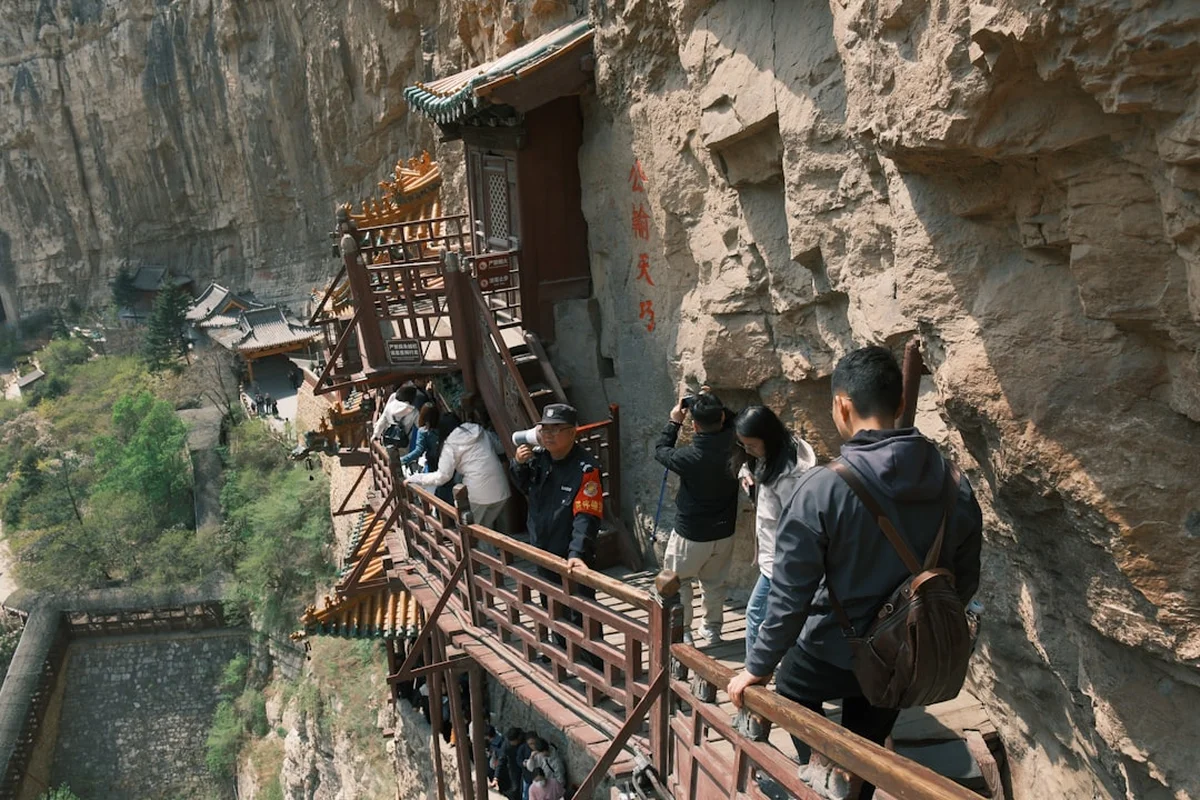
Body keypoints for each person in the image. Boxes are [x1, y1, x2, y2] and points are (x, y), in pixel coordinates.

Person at [728, 346, 983, 800]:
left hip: (830, 652)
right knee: (866, 751)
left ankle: (821, 772)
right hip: (903, 658)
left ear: (842, 405)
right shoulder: (955, 483)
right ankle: (847, 782)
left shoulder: (822, 489)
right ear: (901, 405)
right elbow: (962, 582)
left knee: (787, 692)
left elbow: (789, 599)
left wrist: (756, 666)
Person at [510, 404, 605, 665]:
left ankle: (597, 669)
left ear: (573, 432)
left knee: (581, 613)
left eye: (556, 429)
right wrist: (518, 464)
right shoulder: (540, 458)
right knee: (551, 605)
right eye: (544, 429)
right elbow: (526, 488)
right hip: (542, 549)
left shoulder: (586, 470)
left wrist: (577, 553)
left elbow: (587, 515)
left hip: (569, 555)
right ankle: (562, 657)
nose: (548, 435)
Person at [730, 405, 818, 662]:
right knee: (783, 620)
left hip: (781, 563)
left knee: (757, 616)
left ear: (767, 438)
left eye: (751, 446)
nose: (747, 451)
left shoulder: (790, 477)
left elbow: (798, 526)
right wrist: (749, 476)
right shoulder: (778, 452)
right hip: (777, 560)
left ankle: (754, 677)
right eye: (743, 445)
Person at [654, 390, 739, 645]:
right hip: (724, 531)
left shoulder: (688, 457)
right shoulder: (736, 447)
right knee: (715, 583)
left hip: (691, 533)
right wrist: (715, 404)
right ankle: (712, 629)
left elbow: (661, 450)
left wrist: (673, 422)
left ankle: (685, 632)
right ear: (722, 418)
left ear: (694, 425)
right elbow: (734, 421)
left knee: (678, 582)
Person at [406, 393, 511, 528]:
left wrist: (418, 478)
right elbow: (500, 447)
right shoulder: (479, 430)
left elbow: (442, 476)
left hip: (478, 494)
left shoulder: (450, 444)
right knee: (486, 532)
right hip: (501, 489)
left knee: (472, 535)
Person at [373, 385, 421, 450]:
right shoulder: (414, 411)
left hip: (389, 439)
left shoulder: (390, 406)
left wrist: (376, 435)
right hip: (403, 441)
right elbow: (419, 426)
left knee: (389, 456)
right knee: (402, 458)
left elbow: (382, 421)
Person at [400, 403, 442, 475]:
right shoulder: (443, 428)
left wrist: (402, 460)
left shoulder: (423, 431)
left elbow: (418, 451)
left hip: (433, 463)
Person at [498, 727, 525, 800]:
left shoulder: (524, 741)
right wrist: (496, 777)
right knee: (515, 787)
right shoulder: (507, 745)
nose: (511, 743)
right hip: (514, 767)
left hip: (525, 767)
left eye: (512, 741)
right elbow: (501, 759)